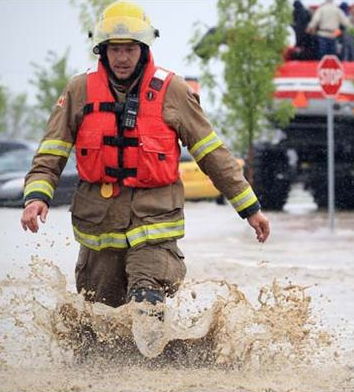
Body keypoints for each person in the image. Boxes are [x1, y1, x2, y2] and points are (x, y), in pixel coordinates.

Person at [20, 1, 270, 311]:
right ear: (102, 50)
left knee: (145, 302)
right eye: (115, 49)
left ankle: (160, 357)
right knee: (99, 320)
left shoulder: (173, 91)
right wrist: (36, 197)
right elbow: (51, 152)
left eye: (130, 49)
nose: (122, 58)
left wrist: (250, 209)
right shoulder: (79, 91)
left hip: (155, 226)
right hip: (100, 227)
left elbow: (212, 154)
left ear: (144, 48)